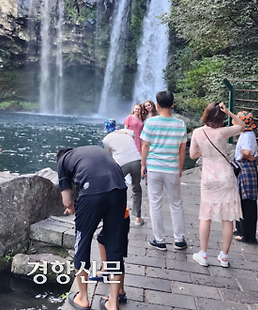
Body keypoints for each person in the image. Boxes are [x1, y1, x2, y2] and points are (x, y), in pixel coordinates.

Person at [58, 146, 126, 310]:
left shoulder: (62, 161)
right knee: (114, 245)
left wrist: (74, 208)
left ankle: (82, 298)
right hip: (119, 189)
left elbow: (67, 201)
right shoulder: (92, 151)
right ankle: (113, 302)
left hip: (93, 192)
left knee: (82, 242)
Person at [190, 102, 245, 268]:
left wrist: (206, 151)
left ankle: (204, 254)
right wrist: (229, 112)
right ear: (221, 117)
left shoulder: (197, 132)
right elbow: (242, 125)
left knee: (205, 215)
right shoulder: (223, 132)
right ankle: (224, 257)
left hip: (208, 176)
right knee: (227, 218)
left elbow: (192, 155)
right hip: (225, 176)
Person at [140, 90, 188, 251]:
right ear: (173, 104)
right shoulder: (180, 124)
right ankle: (179, 240)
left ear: (157, 105)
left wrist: (143, 165)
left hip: (154, 168)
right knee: (176, 203)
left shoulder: (150, 123)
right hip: (172, 169)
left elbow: (145, 145)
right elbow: (182, 150)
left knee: (155, 203)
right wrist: (180, 168)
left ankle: (159, 240)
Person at [103, 119, 144, 226]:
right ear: (116, 127)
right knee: (137, 188)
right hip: (136, 160)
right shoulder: (127, 133)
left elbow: (108, 156)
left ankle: (117, 215)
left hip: (121, 164)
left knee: (116, 189)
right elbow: (133, 134)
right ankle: (138, 218)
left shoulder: (106, 139)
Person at [234, 111, 258, 243]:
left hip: (246, 168)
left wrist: (248, 157)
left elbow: (246, 152)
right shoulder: (246, 134)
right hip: (246, 169)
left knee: (247, 201)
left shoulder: (247, 135)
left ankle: (247, 234)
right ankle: (241, 230)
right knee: (243, 200)